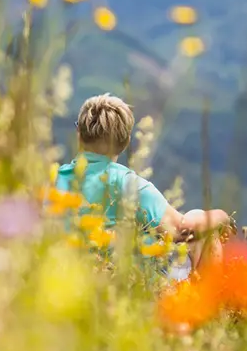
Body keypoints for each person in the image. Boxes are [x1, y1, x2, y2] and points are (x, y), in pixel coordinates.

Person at [55, 93, 232, 277]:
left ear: (79, 134)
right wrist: (223, 217)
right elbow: (183, 229)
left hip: (60, 280)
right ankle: (207, 295)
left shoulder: (53, 180)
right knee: (205, 232)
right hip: (119, 283)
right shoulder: (128, 184)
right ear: (125, 142)